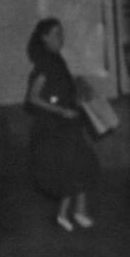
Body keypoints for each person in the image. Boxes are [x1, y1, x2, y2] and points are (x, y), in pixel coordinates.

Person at [24, 18, 99, 232]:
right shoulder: (44, 63)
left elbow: (61, 87)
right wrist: (61, 110)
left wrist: (79, 86)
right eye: (56, 34)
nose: (61, 38)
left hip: (68, 124)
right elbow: (33, 98)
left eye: (62, 33)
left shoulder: (57, 60)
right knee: (68, 169)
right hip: (53, 128)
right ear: (44, 37)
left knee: (81, 164)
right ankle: (64, 214)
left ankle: (78, 212)